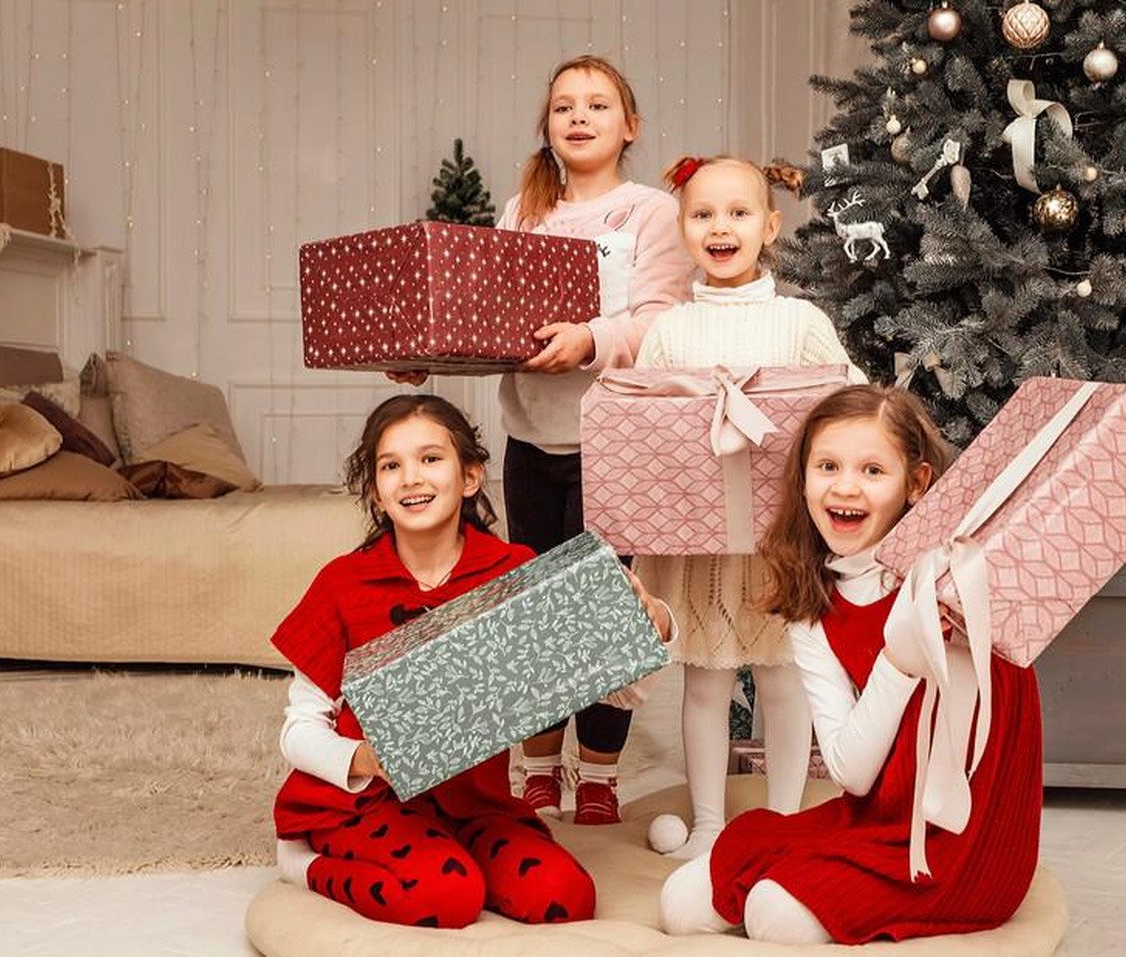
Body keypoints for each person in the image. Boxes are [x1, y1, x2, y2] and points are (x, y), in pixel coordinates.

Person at [392, 55, 694, 825]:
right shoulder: (518, 209)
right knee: (526, 605)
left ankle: (597, 771)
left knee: (602, 611)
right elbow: (492, 324)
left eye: (598, 104)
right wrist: (428, 352)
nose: (579, 116)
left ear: (629, 126)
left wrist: (592, 337)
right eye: (564, 106)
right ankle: (535, 764)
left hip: (619, 439)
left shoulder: (651, 212)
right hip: (531, 437)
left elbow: (666, 319)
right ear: (548, 126)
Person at [658, 385, 1044, 944]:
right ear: (804, 477)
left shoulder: (955, 578)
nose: (844, 486)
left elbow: (984, 735)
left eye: (871, 471)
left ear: (916, 484)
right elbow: (851, 772)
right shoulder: (817, 604)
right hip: (877, 813)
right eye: (828, 466)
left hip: (960, 836)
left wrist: (925, 642)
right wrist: (898, 659)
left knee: (774, 913)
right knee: (681, 903)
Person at [270, 394, 673, 929]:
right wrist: (367, 759)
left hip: (476, 804)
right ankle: (306, 864)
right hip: (369, 800)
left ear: (471, 476)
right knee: (447, 898)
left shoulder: (515, 573)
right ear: (375, 492)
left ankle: (455, 858)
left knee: (563, 897)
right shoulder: (342, 583)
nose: (411, 477)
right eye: (391, 466)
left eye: (430, 459)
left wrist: (654, 622)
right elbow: (298, 729)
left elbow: (617, 691)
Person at [632, 154, 864, 861]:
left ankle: (786, 819)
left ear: (770, 226)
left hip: (779, 540)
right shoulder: (669, 331)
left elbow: (850, 406)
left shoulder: (799, 320)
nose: (719, 227)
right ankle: (707, 822)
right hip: (699, 545)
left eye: (737, 213)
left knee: (782, 677)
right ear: (682, 229)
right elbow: (641, 429)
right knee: (703, 678)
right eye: (702, 214)